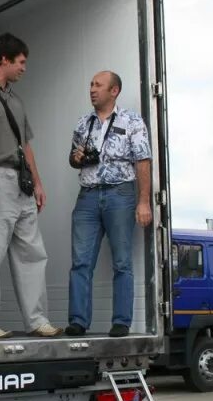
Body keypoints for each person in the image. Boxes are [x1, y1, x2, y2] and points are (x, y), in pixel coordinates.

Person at [0, 33, 61, 339]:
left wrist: (39, 183)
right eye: (20, 61)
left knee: (32, 252)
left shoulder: (16, 99)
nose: (24, 68)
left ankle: (37, 320)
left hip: (21, 182)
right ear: (4, 59)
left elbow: (25, 144)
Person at [65, 71, 152, 338]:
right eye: (91, 84)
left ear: (114, 91)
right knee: (81, 261)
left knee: (122, 262)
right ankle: (78, 321)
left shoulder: (132, 121)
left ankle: (121, 322)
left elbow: (143, 161)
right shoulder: (83, 123)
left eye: (98, 85)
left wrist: (144, 201)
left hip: (120, 194)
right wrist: (77, 157)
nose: (92, 89)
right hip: (88, 195)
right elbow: (73, 159)